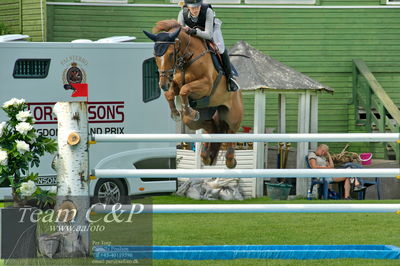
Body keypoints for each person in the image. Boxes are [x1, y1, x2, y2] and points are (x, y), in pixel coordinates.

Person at [177, 0, 240, 92]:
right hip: (193, 31)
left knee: (221, 48)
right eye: (193, 8)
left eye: (197, 7)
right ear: (188, 7)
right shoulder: (182, 13)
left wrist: (194, 31)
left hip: (211, 30)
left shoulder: (207, 11)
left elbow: (208, 35)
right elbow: (180, 32)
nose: (196, 10)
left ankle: (230, 78)